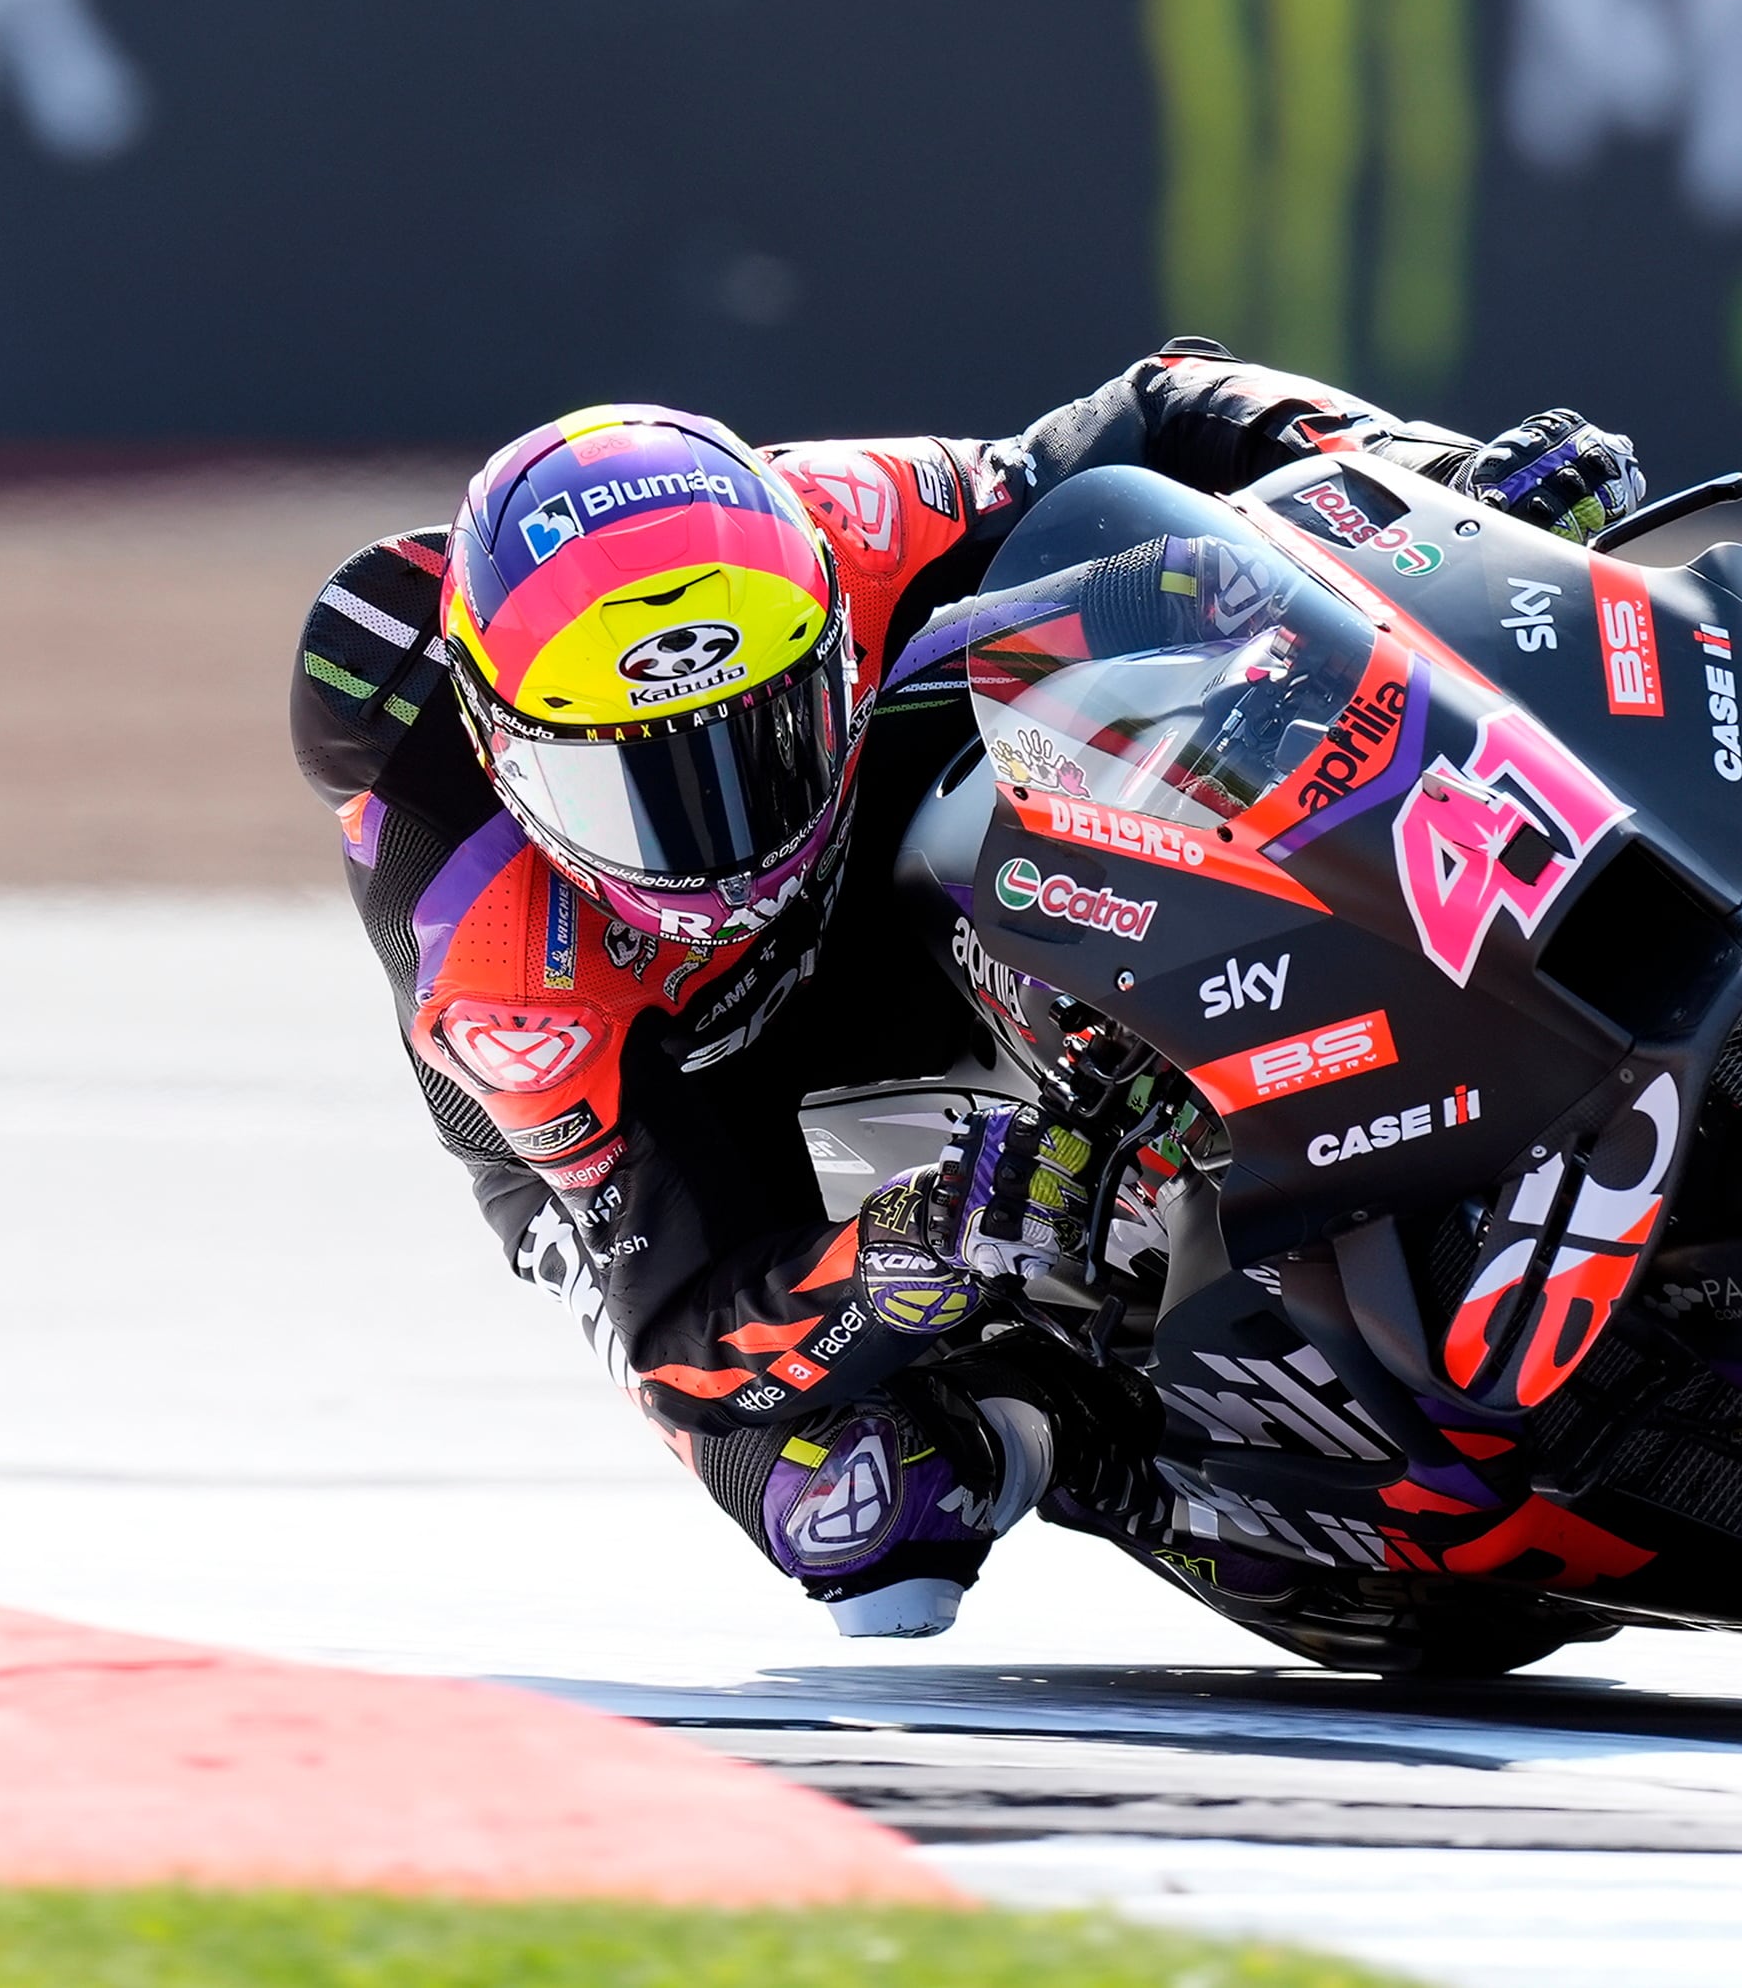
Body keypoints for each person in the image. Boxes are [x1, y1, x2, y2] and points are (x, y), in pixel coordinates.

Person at [290, 345, 1644, 1637]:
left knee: (1144, 636)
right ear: (509, 757)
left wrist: (1429, 483)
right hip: (664, 1072)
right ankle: (1100, 1443)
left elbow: (1163, 411)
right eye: (633, 791)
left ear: (822, 627)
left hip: (887, 840)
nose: (721, 836)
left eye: (759, 740)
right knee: (865, 1524)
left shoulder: (856, 523)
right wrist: (910, 1251)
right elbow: (685, 1342)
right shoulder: (509, 978)